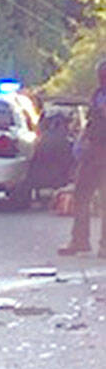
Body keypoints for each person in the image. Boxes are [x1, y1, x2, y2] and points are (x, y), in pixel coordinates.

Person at [58, 58, 106, 256]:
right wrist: (82, 140)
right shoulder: (97, 95)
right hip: (92, 152)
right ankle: (80, 241)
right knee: (81, 195)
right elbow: (91, 122)